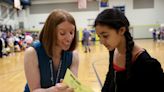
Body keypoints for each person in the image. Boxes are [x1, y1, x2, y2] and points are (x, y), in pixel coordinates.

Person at [94, 8, 164, 92]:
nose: (101, 42)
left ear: (121, 30)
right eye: (99, 37)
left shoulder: (146, 63)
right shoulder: (113, 50)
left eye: (105, 36)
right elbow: (110, 78)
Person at [24, 9, 79, 92]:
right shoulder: (32, 53)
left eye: (71, 32)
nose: (69, 38)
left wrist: (71, 88)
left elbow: (72, 86)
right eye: (62, 33)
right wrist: (55, 90)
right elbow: (34, 90)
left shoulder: (74, 55)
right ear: (50, 32)